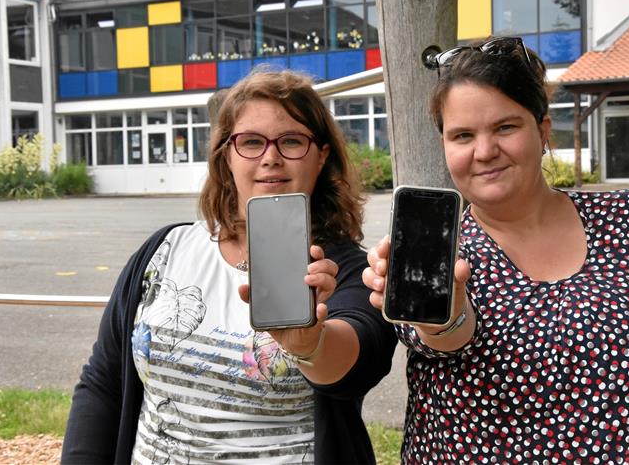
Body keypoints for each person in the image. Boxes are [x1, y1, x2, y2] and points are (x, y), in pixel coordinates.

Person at [363, 37, 629, 462]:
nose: (485, 151)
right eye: (462, 135)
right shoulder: (437, 253)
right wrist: (447, 316)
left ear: (543, 131)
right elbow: (443, 337)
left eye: (505, 127)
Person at [62, 69, 397, 464]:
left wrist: (311, 346)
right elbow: (103, 384)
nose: (270, 157)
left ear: (321, 156)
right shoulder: (165, 250)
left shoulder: (347, 272)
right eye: (251, 142)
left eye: (291, 141)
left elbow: (358, 362)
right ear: (227, 156)